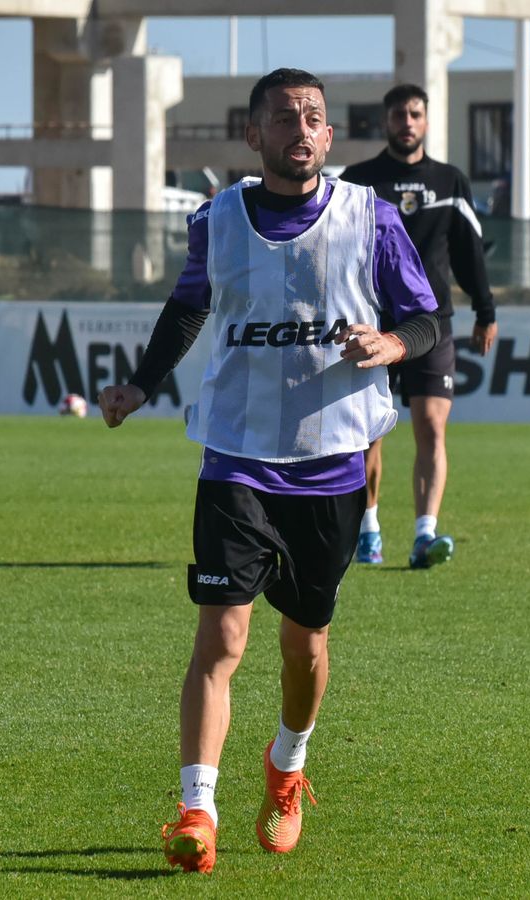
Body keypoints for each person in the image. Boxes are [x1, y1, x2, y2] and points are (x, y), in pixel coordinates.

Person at [96, 68, 442, 875]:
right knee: (221, 634)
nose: (302, 127)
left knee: (304, 647)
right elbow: (188, 307)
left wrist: (392, 345)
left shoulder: (373, 219)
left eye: (315, 118)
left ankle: (287, 766)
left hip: (330, 469)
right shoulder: (217, 220)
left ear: (329, 137)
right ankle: (196, 808)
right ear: (253, 135)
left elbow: (426, 317)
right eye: (284, 116)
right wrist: (141, 386)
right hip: (236, 461)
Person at [340, 84, 497, 570]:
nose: (406, 122)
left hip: (432, 325)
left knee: (431, 426)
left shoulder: (450, 181)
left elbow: (469, 252)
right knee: (368, 434)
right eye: (398, 114)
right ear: (385, 121)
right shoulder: (358, 181)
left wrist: (485, 309)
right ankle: (368, 530)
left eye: (415, 114)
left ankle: (424, 535)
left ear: (426, 121)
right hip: (373, 327)